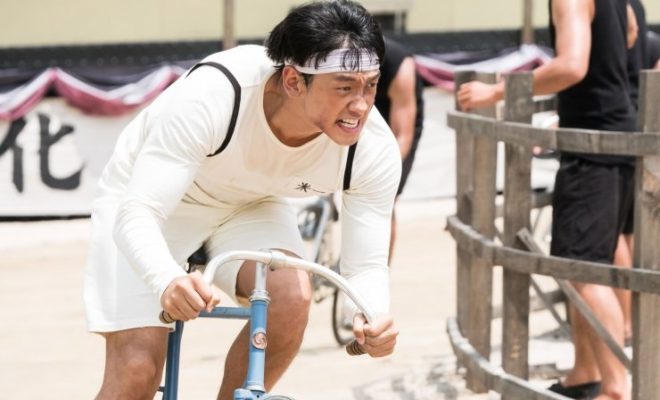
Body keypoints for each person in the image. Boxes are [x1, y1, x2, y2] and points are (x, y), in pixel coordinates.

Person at [83, 1, 400, 399]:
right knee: (137, 371)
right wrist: (165, 279)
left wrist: (372, 315)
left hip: (250, 203)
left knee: (292, 298)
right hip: (152, 204)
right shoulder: (214, 94)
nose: (361, 105)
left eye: (370, 85)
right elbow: (139, 212)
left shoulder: (373, 148)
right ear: (293, 81)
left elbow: (366, 265)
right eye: (344, 88)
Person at [457, 0, 635, 399]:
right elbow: (630, 32)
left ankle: (615, 388)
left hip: (593, 145)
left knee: (583, 271)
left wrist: (497, 91)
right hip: (613, 134)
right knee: (587, 265)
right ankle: (586, 374)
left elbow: (571, 65)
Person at [374, 37, 424, 262]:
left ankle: (378, 270)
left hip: (396, 124)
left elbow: (402, 136)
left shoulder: (399, 63)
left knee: (382, 200)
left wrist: (384, 174)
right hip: (355, 118)